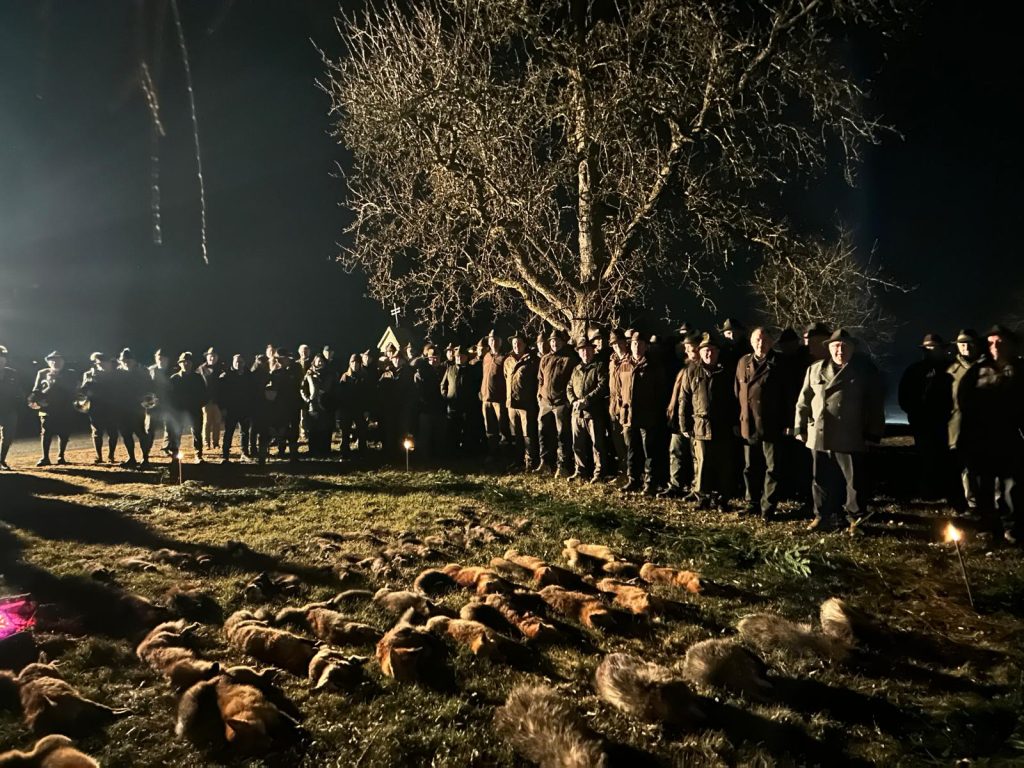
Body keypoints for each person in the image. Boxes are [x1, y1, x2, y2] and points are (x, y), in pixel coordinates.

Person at [794, 329, 885, 533]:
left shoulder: (864, 372)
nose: (840, 350)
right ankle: (822, 516)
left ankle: (855, 520)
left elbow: (874, 405)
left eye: (844, 346)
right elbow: (803, 401)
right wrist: (800, 427)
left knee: (854, 481)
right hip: (820, 433)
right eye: (835, 346)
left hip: (850, 435)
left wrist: (873, 433)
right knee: (820, 480)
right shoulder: (815, 369)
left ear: (852, 349)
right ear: (829, 348)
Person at [957, 325, 1023, 545]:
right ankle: (987, 526)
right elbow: (964, 404)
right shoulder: (977, 371)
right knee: (985, 485)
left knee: (1011, 486)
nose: (995, 346)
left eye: (1000, 342)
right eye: (991, 342)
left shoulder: (1020, 370)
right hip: (982, 438)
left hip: (1012, 438)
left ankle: (1011, 527)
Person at [735, 328, 790, 519]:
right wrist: (738, 419)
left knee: (772, 469)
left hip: (772, 425)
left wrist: (788, 422)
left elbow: (788, 396)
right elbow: (737, 393)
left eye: (765, 340)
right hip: (748, 425)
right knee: (750, 468)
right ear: (751, 342)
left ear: (771, 342)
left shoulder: (780, 363)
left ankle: (768, 508)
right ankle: (752, 503)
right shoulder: (743, 362)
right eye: (758, 339)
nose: (761, 343)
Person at [680, 334, 739, 509]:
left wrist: (735, 422)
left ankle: (721, 498)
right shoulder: (691, 371)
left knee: (723, 464)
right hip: (701, 425)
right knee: (703, 462)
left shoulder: (727, 371)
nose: (709, 354)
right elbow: (684, 399)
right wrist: (684, 424)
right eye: (706, 350)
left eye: (712, 350)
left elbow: (735, 399)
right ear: (700, 352)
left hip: (723, 425)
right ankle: (703, 497)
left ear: (718, 352)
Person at [897, 333, 953, 498]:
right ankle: (929, 492)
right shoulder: (914, 370)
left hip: (948, 422)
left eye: (933, 348)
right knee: (927, 457)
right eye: (927, 348)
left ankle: (949, 492)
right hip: (923, 423)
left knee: (948, 458)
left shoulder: (952, 369)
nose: (930, 351)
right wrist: (915, 414)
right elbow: (904, 396)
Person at [617, 331, 668, 495]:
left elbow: (661, 392)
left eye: (640, 344)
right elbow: (618, 389)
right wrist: (620, 408)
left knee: (649, 451)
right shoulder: (624, 364)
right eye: (633, 344)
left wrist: (656, 412)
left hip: (648, 416)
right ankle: (633, 480)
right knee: (632, 449)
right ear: (629, 346)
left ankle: (650, 482)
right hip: (629, 416)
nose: (636, 347)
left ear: (646, 346)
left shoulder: (654, 366)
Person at [946, 329, 983, 512]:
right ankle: (971, 503)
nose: (965, 347)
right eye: (962, 344)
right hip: (957, 427)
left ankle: (995, 503)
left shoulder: (987, 368)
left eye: (969, 343)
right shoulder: (950, 371)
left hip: (984, 426)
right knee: (965, 468)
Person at [661, 330, 700, 498]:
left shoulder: (700, 369)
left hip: (693, 420)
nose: (688, 351)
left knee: (695, 456)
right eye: (687, 348)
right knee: (675, 452)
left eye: (691, 348)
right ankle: (675, 485)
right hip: (678, 419)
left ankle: (696, 488)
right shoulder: (683, 367)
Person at [566, 336, 609, 482]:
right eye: (583, 350)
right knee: (577, 444)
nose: (585, 353)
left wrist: (587, 400)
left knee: (597, 444)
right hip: (577, 412)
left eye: (588, 350)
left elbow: (602, 386)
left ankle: (599, 472)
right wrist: (574, 401)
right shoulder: (576, 369)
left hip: (593, 413)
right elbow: (569, 387)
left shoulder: (599, 366)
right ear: (579, 352)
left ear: (593, 350)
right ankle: (580, 471)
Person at [537, 329, 578, 477]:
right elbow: (540, 379)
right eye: (552, 341)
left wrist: (567, 401)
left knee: (563, 435)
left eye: (557, 340)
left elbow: (574, 382)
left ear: (563, 341)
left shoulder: (570, 359)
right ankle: (545, 463)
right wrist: (540, 395)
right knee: (543, 433)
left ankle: (563, 466)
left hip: (561, 403)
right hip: (545, 403)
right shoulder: (545, 359)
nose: (554, 343)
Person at [31, 351, 76, 466]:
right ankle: (45, 457)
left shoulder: (70, 374)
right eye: (53, 360)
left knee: (64, 433)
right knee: (46, 433)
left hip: (65, 408)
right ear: (48, 362)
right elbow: (36, 390)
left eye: (59, 360)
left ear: (63, 361)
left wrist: (56, 381)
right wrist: (37, 400)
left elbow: (71, 390)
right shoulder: (42, 373)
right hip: (47, 408)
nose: (56, 362)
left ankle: (61, 456)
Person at [504, 332, 540, 471]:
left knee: (528, 434)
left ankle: (530, 462)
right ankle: (518, 460)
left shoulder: (532, 360)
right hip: (511, 404)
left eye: (519, 343)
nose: (516, 346)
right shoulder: (508, 361)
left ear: (525, 344)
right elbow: (506, 378)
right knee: (516, 434)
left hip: (527, 404)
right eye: (514, 344)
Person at [115, 348, 154, 469]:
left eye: (128, 360)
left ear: (133, 360)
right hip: (123, 409)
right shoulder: (119, 372)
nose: (126, 362)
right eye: (124, 360)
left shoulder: (141, 372)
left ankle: (145, 459)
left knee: (141, 434)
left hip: (137, 408)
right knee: (126, 435)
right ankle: (131, 458)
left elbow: (149, 388)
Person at [80, 352, 120, 464]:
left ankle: (111, 455)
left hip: (112, 407)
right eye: (99, 363)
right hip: (95, 407)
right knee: (97, 432)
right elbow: (83, 392)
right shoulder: (88, 374)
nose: (102, 365)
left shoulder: (115, 374)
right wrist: (86, 385)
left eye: (104, 363)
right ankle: (99, 456)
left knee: (113, 432)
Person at [169, 352, 208, 463]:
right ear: (180, 363)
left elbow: (204, 394)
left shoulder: (198, 378)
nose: (186, 364)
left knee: (197, 433)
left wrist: (198, 405)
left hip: (194, 410)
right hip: (179, 412)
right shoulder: (174, 378)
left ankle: (198, 455)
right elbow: (170, 396)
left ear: (192, 363)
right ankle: (175, 456)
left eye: (188, 362)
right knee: (176, 434)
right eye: (184, 362)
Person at [440, 345, 481, 453]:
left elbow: (477, 386)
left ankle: (467, 452)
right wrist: (447, 396)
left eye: (461, 356)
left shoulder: (472, 370)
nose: (459, 358)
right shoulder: (450, 369)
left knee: (468, 430)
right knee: (453, 431)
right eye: (457, 356)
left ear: (466, 358)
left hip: (467, 406)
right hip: (453, 406)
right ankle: (453, 452)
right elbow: (443, 385)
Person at [266, 349, 303, 461]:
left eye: (282, 359)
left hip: (293, 403)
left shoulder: (296, 368)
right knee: (281, 426)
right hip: (280, 404)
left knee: (294, 426)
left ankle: (293, 451)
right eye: (279, 359)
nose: (281, 361)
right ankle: (281, 449)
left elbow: (298, 383)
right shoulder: (275, 371)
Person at [219, 354, 253, 463]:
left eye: (241, 362)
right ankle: (225, 455)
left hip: (245, 408)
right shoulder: (226, 376)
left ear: (244, 363)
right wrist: (223, 408)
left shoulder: (248, 375)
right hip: (231, 409)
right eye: (237, 361)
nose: (239, 363)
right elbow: (221, 394)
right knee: (229, 432)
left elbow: (253, 392)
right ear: (233, 362)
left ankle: (244, 453)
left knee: (245, 432)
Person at [480, 330, 509, 459]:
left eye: (496, 340)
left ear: (500, 342)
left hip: (499, 399)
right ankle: (492, 453)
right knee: (490, 429)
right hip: (486, 399)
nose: (493, 342)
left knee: (503, 428)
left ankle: (504, 455)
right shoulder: (486, 357)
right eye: (491, 340)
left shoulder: (505, 357)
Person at [302, 354, 335, 456]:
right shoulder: (309, 374)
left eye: (322, 361)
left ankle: (325, 450)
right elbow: (303, 388)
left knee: (326, 428)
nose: (320, 363)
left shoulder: (330, 374)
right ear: (314, 362)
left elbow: (334, 388)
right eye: (318, 361)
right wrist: (307, 399)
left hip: (326, 404)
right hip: (313, 404)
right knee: (313, 428)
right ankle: (313, 450)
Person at [337, 354, 370, 457]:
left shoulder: (364, 376)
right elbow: (340, 394)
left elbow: (368, 394)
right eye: (352, 362)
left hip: (360, 408)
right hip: (347, 408)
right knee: (345, 431)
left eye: (357, 362)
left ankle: (362, 451)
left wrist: (367, 409)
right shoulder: (345, 376)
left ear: (360, 364)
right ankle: (344, 451)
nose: (354, 364)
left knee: (362, 431)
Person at [198, 348, 226, 452]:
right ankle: (206, 444)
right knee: (207, 423)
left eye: (214, 356)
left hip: (217, 400)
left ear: (217, 358)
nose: (212, 358)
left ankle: (216, 443)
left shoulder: (221, 369)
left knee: (217, 422)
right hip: (206, 401)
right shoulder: (201, 369)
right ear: (206, 357)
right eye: (210, 356)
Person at [147, 349, 173, 455]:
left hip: (168, 403)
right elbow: (146, 386)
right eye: (159, 357)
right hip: (153, 404)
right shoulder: (150, 370)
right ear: (155, 358)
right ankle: (147, 449)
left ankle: (166, 447)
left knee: (169, 427)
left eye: (163, 358)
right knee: (149, 427)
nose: (161, 360)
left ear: (167, 359)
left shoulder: (172, 370)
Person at [0, 345, 22, 470]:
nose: (1, 360)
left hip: (9, 409)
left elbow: (18, 390)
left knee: (8, 436)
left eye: (2, 357)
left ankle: (1, 460)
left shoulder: (12, 373)